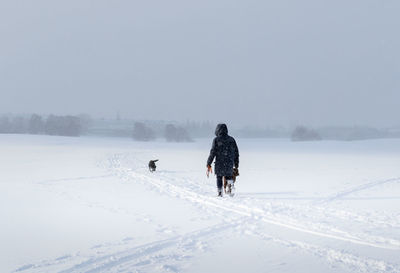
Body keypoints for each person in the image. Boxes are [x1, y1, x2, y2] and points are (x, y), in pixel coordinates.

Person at [207, 123, 239, 196]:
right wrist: (236, 163)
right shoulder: (231, 139)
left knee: (219, 177)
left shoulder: (216, 140)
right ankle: (230, 187)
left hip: (220, 162)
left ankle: (220, 192)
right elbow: (236, 152)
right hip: (229, 162)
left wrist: (209, 163)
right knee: (229, 176)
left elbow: (213, 152)